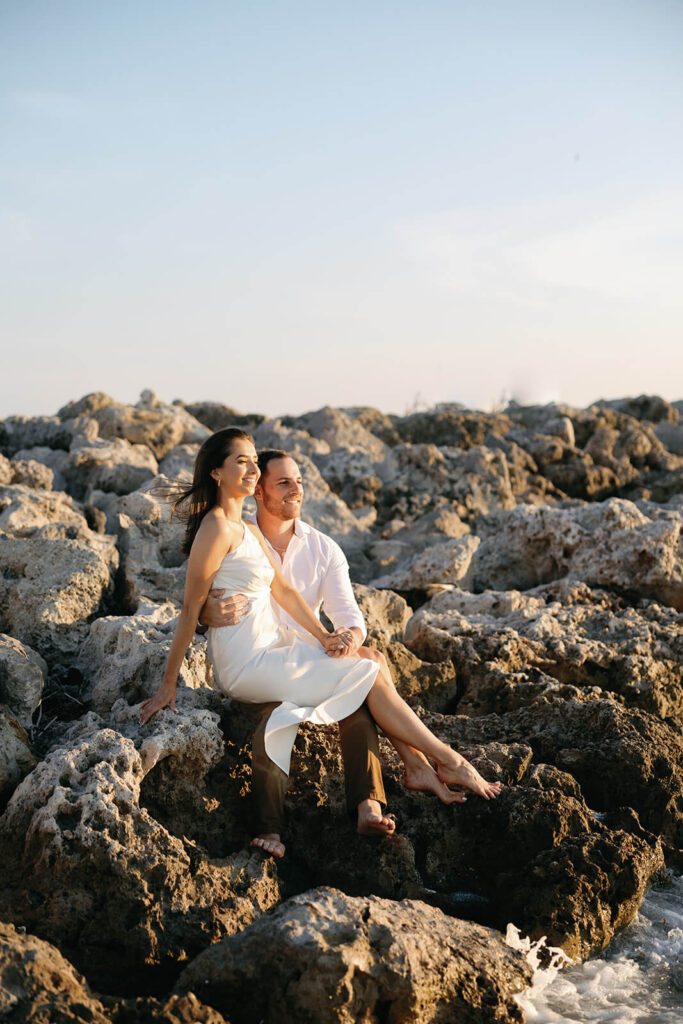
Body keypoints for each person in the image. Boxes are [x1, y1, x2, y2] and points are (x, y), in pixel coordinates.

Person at [140, 429, 502, 852]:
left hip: (278, 655)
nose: (252, 469)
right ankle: (446, 761)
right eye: (242, 461)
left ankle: (415, 771)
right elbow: (189, 608)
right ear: (217, 473)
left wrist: (327, 636)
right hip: (247, 663)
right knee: (369, 670)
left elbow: (284, 592)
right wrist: (169, 684)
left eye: (254, 460)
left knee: (366, 665)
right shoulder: (217, 527)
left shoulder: (254, 530)